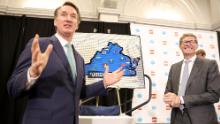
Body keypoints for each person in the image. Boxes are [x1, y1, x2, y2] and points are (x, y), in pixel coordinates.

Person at [7, 1, 124, 124]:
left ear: (77, 25)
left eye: (73, 16)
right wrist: (32, 73)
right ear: (55, 21)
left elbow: (79, 92)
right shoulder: (41, 45)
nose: (68, 18)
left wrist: (104, 83)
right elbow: (12, 88)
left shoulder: (79, 59)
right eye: (63, 14)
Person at [163, 33, 220, 124]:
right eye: (185, 42)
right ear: (180, 46)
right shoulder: (174, 67)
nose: (188, 44)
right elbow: (168, 91)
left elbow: (214, 95)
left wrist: (182, 99)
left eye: (192, 42)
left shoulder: (209, 64)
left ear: (196, 45)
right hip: (177, 118)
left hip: (201, 119)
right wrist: (169, 98)